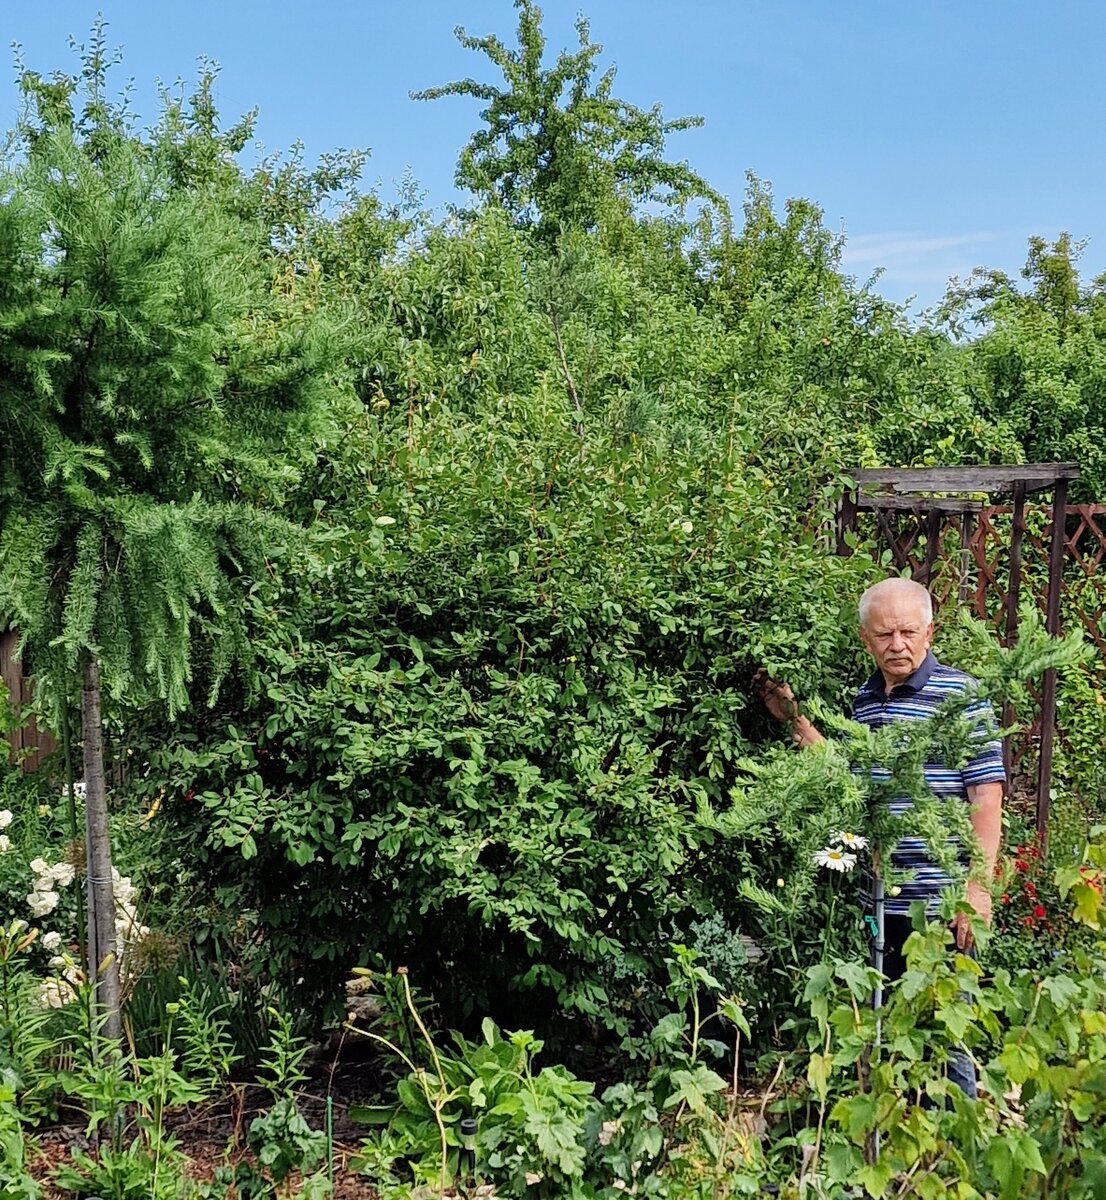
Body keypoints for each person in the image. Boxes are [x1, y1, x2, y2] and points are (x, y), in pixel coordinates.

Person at [757, 577, 1005, 1098]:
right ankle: (893, 1152)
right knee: (885, 1030)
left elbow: (987, 800)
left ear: (930, 632)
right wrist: (796, 720)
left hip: (942, 906)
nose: (898, 644)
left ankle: (951, 1153)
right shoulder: (864, 702)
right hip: (880, 902)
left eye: (908, 632)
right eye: (884, 634)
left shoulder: (961, 695)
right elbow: (852, 781)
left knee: (943, 1036)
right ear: (865, 640)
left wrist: (977, 890)